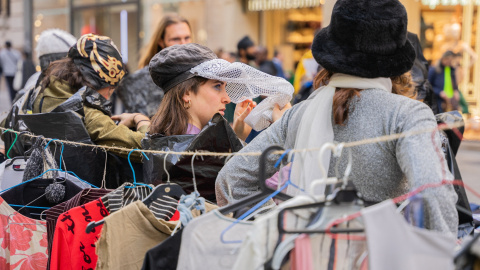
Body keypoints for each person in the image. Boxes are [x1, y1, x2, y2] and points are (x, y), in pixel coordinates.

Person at [216, 0, 458, 236]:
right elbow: (434, 195)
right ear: (397, 62)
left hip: (305, 258)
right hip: (378, 257)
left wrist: (280, 227)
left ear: (331, 53)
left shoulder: (298, 114)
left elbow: (231, 180)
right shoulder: (407, 114)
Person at [32, 33, 150, 159]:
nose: (108, 97)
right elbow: (147, 148)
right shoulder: (88, 115)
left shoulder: (44, 91)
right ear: (94, 81)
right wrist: (140, 119)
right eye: (110, 89)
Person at [116, 13, 192, 117]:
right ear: (161, 41)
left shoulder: (200, 75)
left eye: (187, 38)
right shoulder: (137, 83)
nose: (183, 44)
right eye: (176, 39)